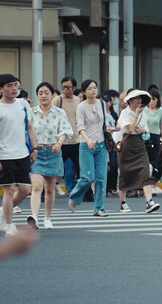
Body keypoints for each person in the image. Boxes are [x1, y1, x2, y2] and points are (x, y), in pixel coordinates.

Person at [26, 82, 73, 230]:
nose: (43, 95)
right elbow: (26, 131)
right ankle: (34, 217)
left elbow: (66, 130)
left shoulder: (59, 112)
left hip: (53, 152)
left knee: (50, 189)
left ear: (52, 95)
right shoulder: (31, 112)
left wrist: (59, 143)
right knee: (37, 186)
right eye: (40, 93)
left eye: (46, 92)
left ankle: (48, 218)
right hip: (37, 153)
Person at [67, 79, 109, 217]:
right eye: (90, 88)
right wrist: (88, 140)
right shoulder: (81, 107)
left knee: (101, 179)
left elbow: (103, 124)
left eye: (95, 87)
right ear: (84, 91)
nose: (93, 90)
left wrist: (112, 129)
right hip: (86, 145)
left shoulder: (102, 103)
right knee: (87, 177)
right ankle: (74, 197)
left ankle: (99, 208)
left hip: (101, 145)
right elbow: (80, 127)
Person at [0, 74, 35, 236]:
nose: (14, 88)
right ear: (1, 89)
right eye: (9, 86)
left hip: (22, 153)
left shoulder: (23, 104)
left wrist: (34, 148)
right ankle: (8, 224)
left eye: (15, 85)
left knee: (25, 189)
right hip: (4, 154)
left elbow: (29, 127)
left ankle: (3, 211)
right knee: (9, 190)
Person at [116, 90, 161, 214]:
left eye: (141, 98)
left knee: (145, 171)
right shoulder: (124, 113)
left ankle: (149, 202)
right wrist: (136, 118)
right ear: (130, 100)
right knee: (125, 173)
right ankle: (123, 202)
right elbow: (130, 129)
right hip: (126, 145)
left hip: (140, 145)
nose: (139, 101)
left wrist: (141, 130)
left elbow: (144, 131)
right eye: (136, 98)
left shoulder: (144, 113)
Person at [53, 76, 81, 194]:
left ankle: (84, 193)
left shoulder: (78, 100)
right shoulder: (58, 100)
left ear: (74, 88)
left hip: (76, 140)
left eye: (68, 87)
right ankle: (47, 191)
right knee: (55, 168)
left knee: (80, 169)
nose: (66, 90)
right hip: (62, 141)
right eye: (64, 87)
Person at [144, 89, 162, 193]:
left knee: (155, 161)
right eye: (150, 99)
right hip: (145, 137)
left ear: (157, 100)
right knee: (145, 161)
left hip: (156, 137)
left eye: (154, 99)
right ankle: (143, 184)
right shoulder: (144, 110)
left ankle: (152, 184)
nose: (151, 101)